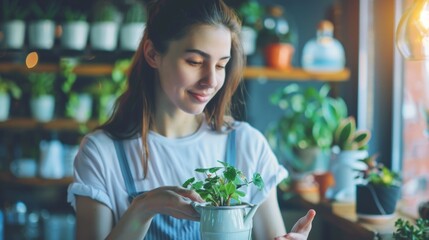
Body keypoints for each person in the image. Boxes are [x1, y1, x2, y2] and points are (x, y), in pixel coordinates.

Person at [67, 0, 316, 239]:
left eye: (220, 65)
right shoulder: (101, 152)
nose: (210, 81)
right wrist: (142, 209)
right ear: (153, 54)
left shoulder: (247, 144)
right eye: (195, 62)